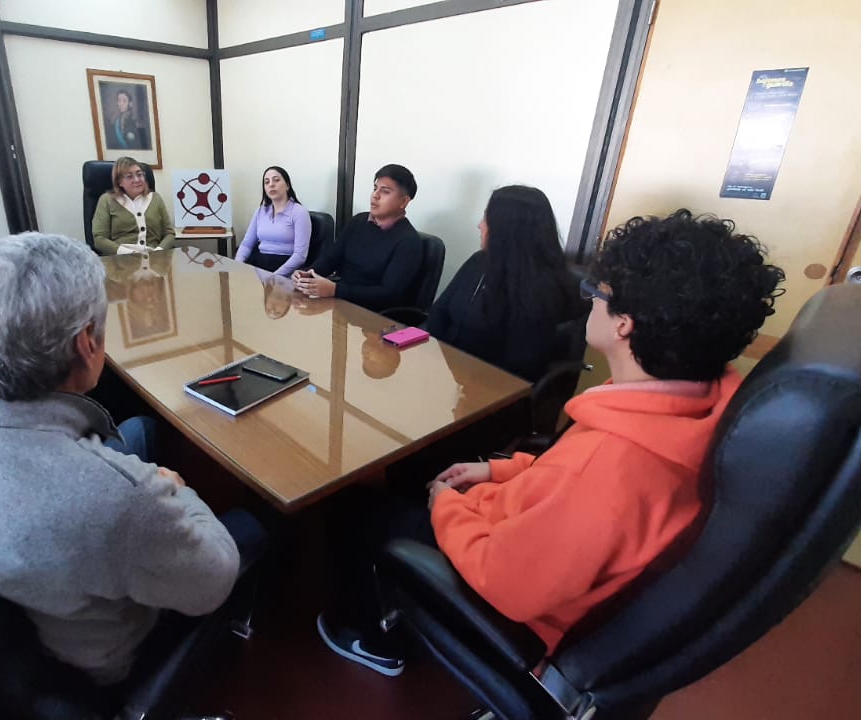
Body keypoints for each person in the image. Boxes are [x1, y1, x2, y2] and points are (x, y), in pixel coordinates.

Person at [316, 209, 785, 676]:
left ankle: (371, 639)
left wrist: (446, 506)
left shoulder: (606, 473)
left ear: (624, 324)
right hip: (527, 527)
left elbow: (506, 580)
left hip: (512, 593)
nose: (590, 301)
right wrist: (499, 470)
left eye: (597, 292)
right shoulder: (694, 402)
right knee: (409, 484)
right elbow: (564, 473)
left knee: (350, 506)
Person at [0, 232, 261, 689]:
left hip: (2, 635)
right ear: (87, 342)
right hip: (96, 665)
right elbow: (212, 583)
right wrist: (177, 491)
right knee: (259, 522)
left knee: (142, 431)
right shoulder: (121, 499)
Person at [426, 185, 585, 382]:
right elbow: (439, 311)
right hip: (448, 369)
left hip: (489, 386)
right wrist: (439, 361)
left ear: (506, 228)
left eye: (486, 219)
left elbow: (520, 366)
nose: (479, 225)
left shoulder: (542, 288)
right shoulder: (479, 261)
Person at [293, 164, 423, 313]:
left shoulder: (408, 242)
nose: (375, 195)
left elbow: (388, 294)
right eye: (375, 188)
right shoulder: (358, 221)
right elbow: (331, 259)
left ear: (404, 201)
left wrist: (335, 290)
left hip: (373, 315)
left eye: (385, 191)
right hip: (339, 305)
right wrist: (308, 274)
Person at [234, 166, 311, 276]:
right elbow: (247, 244)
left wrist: (274, 277)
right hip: (259, 264)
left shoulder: (299, 212)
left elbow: (300, 255)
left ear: (287, 185)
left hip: (285, 268)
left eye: (276, 180)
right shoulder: (261, 211)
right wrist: (238, 265)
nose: (271, 184)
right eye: (267, 182)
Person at [91, 157, 176, 256]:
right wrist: (128, 253)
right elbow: (99, 239)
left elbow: (169, 233)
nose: (137, 180)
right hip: (121, 259)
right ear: (119, 182)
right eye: (129, 176)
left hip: (154, 257)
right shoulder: (107, 200)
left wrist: (158, 251)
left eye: (139, 174)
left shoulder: (155, 198)